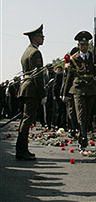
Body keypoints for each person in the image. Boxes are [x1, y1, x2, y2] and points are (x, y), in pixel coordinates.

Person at [63, 31, 96, 151]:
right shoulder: (73, 59)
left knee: (88, 114)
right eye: (82, 44)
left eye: (86, 44)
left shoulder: (93, 57)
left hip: (91, 88)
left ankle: (81, 134)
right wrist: (64, 93)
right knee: (81, 114)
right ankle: (83, 137)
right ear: (78, 45)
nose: (84, 47)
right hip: (78, 88)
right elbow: (68, 77)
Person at [16, 24, 45, 160]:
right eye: (41, 36)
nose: (43, 38)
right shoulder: (35, 53)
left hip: (25, 88)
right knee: (27, 119)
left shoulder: (26, 52)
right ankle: (22, 151)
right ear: (35, 38)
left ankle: (21, 149)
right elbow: (38, 76)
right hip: (32, 89)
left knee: (25, 119)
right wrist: (43, 94)